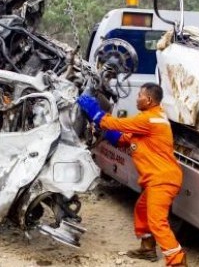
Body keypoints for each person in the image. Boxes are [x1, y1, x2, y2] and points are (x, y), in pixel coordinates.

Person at [77, 83, 186, 267]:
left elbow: (116, 123)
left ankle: (178, 262)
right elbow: (121, 138)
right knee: (142, 210)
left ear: (149, 100)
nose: (136, 98)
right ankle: (148, 249)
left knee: (157, 222)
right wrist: (100, 125)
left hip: (162, 180)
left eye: (140, 95)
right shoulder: (148, 121)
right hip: (157, 180)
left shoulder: (150, 120)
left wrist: (96, 112)